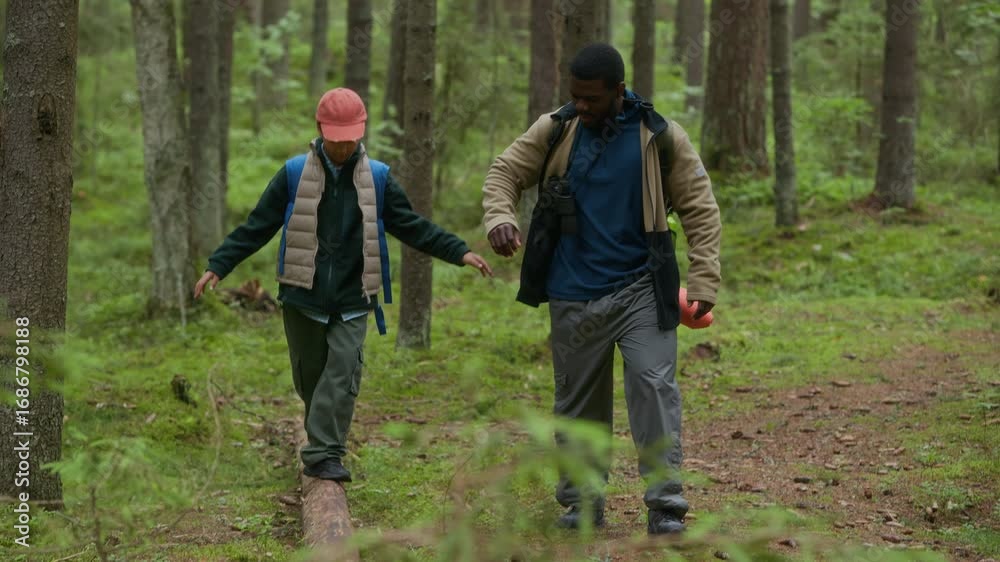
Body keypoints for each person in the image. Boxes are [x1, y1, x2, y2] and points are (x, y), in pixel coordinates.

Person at [194, 88, 493, 482]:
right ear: (320, 129)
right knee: (310, 379)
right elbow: (257, 226)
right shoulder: (293, 174)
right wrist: (219, 265)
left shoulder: (378, 179)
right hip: (302, 295)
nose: (342, 147)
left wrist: (459, 251)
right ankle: (323, 441)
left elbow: (412, 226)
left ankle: (324, 454)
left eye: (350, 139)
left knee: (342, 372)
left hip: (355, 295)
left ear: (361, 131)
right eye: (336, 139)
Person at [481, 43, 721, 534]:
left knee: (654, 387)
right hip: (572, 290)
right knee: (577, 402)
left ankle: (666, 505)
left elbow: (700, 208)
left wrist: (704, 278)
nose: (582, 105)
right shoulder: (556, 128)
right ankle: (582, 503)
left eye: (592, 98)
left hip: (642, 289)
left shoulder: (659, 136)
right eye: (576, 96)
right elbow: (504, 172)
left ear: (619, 90)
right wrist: (499, 216)